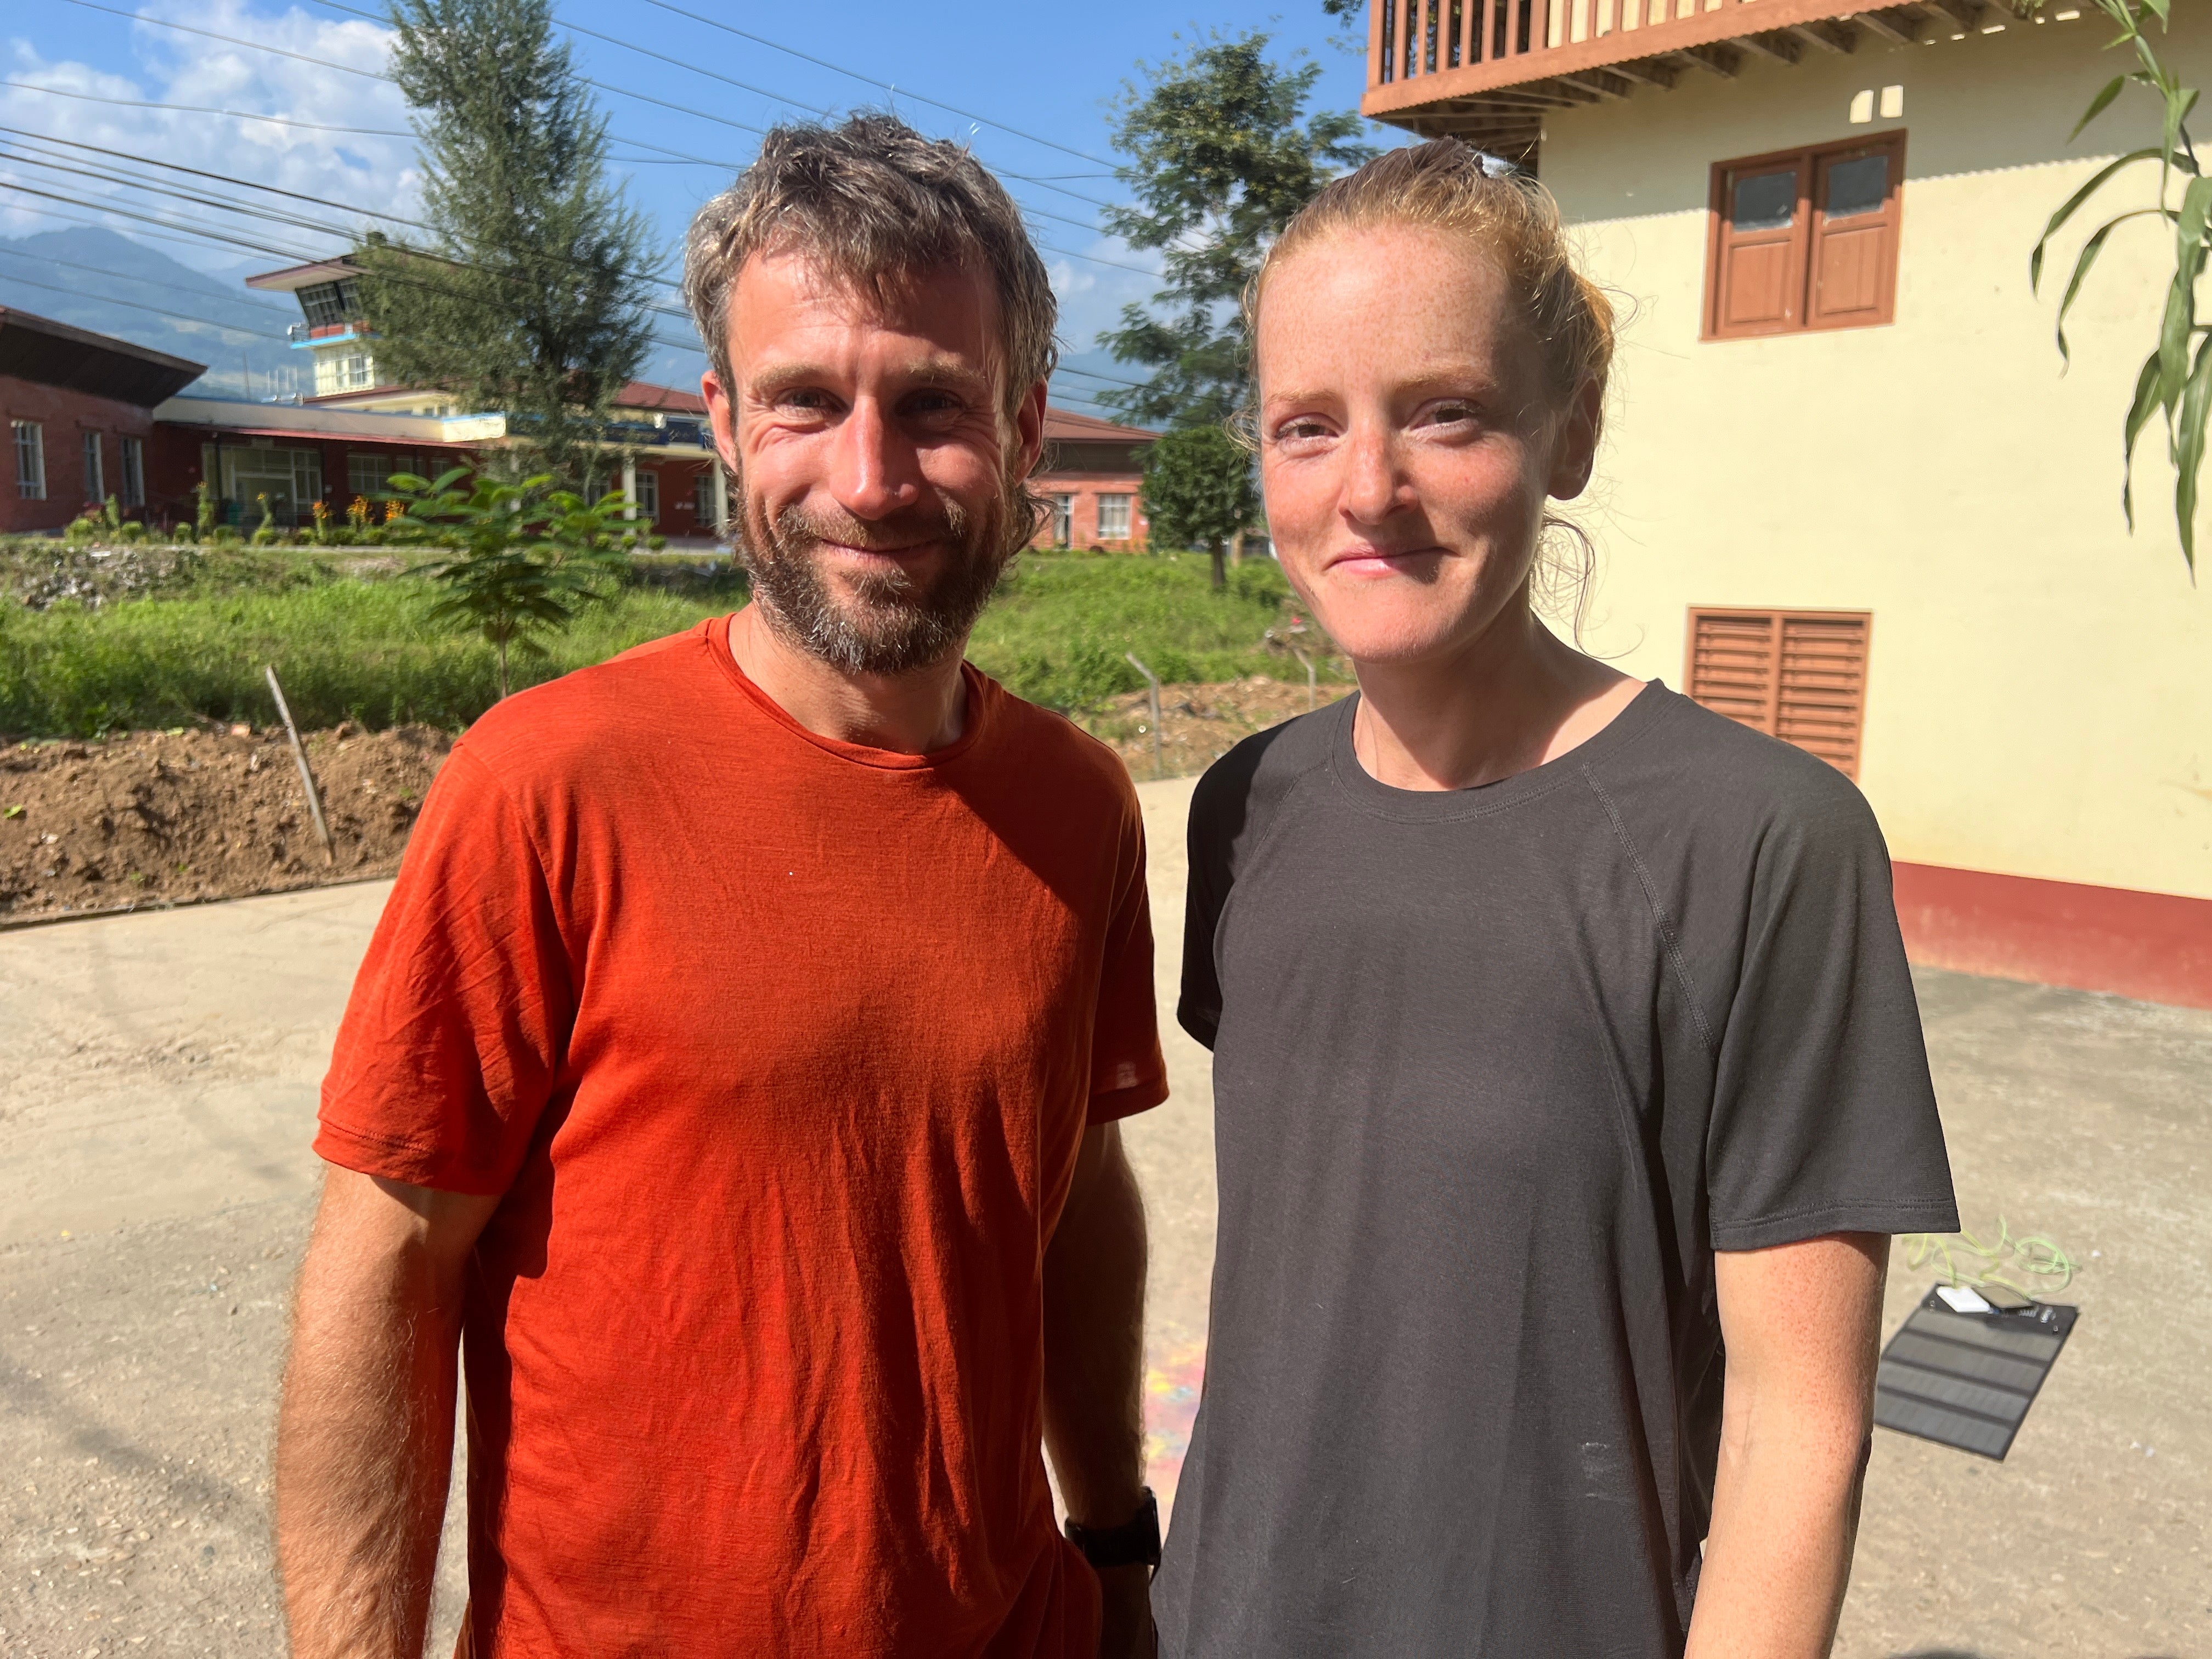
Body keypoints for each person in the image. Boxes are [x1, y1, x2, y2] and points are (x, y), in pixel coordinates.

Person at [276, 115, 1167, 1659]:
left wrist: (1118, 1556)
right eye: (806, 402)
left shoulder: (1078, 810)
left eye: (935, 405)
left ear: (1024, 435)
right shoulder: (544, 789)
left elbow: (1073, 1192)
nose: (871, 477)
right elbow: (387, 1262)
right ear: (721, 420)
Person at [1150, 140, 1959, 1658]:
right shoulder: (1246, 809)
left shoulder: (1764, 840)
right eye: (1305, 427)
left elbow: (1804, 1427)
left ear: (1568, 430)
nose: (1366, 488)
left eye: (1443, 413)